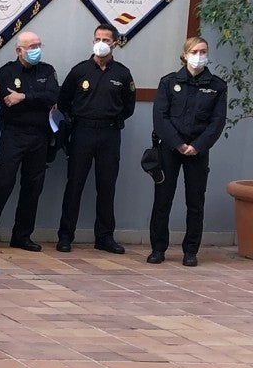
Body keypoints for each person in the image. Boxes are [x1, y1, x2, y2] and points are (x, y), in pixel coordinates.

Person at [0, 31, 59, 252]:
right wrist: (35, 98)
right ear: (19, 50)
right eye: (31, 46)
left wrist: (25, 96)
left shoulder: (47, 70)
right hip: (13, 135)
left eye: (38, 45)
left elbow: (53, 96)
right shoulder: (7, 71)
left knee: (32, 188)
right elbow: (8, 100)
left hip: (40, 136)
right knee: (1, 185)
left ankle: (22, 236)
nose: (36, 50)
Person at [55, 23, 136, 254]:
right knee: (75, 185)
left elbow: (128, 105)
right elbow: (64, 101)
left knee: (107, 186)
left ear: (115, 43)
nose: (101, 43)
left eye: (106, 40)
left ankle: (104, 237)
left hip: (110, 134)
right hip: (82, 132)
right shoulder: (80, 70)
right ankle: (65, 236)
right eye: (97, 39)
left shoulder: (122, 73)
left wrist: (113, 120)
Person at [148, 36, 227, 267]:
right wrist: (177, 143)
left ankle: (190, 251)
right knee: (162, 200)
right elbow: (160, 117)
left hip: (198, 151)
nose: (199, 56)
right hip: (170, 149)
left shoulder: (217, 86)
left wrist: (197, 146)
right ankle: (158, 249)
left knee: (195, 202)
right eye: (194, 51)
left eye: (203, 51)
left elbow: (217, 121)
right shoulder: (169, 82)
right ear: (185, 55)